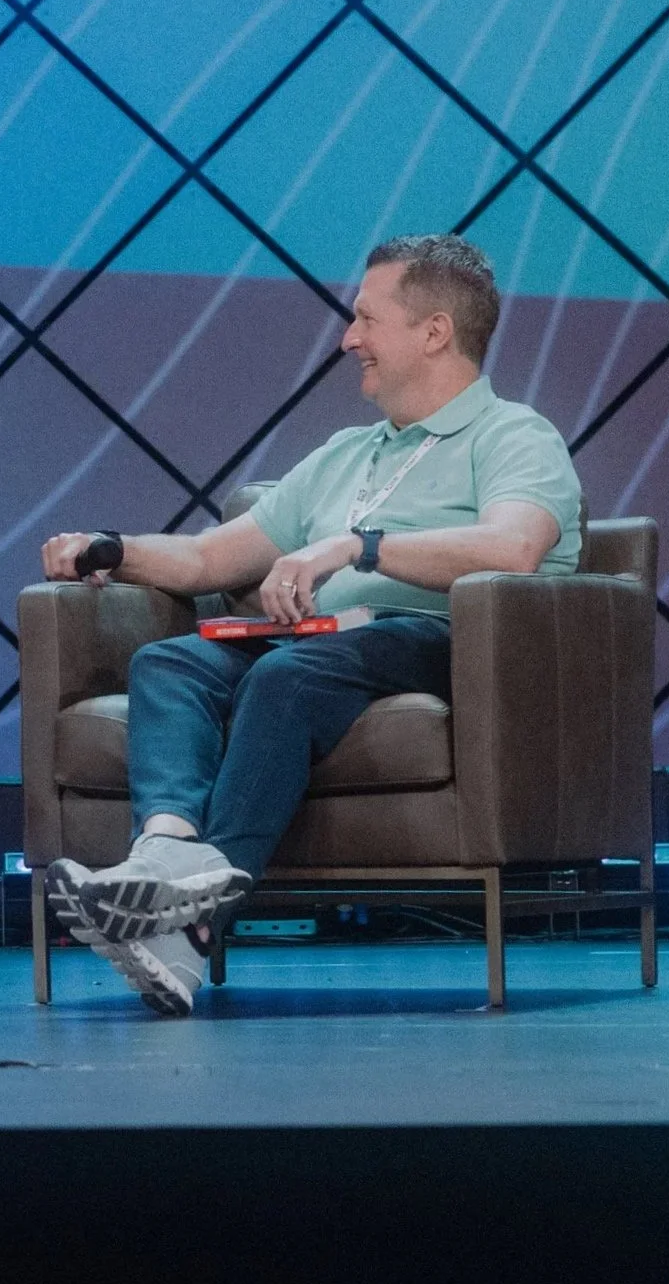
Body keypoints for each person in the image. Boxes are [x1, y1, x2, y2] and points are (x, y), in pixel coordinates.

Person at [38, 234, 582, 1016]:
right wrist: (112, 549)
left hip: (443, 642)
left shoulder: (512, 435)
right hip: (331, 640)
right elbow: (206, 559)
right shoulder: (343, 454)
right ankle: (163, 852)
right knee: (171, 662)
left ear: (433, 332)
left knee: (287, 674)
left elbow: (513, 548)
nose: (346, 338)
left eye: (364, 319)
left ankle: (190, 924)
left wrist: (356, 545)